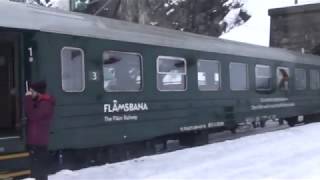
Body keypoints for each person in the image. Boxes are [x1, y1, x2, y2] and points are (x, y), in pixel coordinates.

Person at [24, 80, 55, 180]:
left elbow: (33, 116)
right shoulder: (40, 103)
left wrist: (28, 99)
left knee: (40, 173)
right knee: (38, 172)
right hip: (36, 142)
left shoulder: (45, 104)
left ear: (38, 92)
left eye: (32, 91)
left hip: (40, 143)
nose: (31, 93)